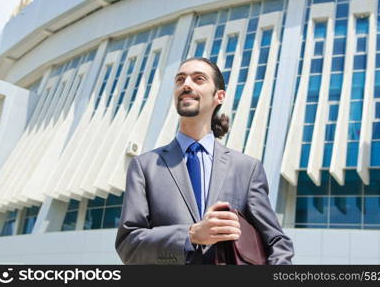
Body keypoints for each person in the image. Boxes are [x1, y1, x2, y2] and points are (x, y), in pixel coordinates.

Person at [115, 57, 294, 264]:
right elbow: (128, 245)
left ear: (219, 96)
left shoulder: (246, 168)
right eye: (180, 80)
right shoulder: (145, 166)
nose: (186, 85)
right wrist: (191, 235)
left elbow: (277, 242)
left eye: (198, 79)